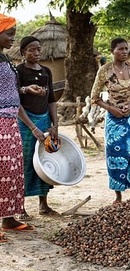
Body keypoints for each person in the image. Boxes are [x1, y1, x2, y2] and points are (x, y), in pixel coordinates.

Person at [90, 37, 130, 204]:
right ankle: (118, 196)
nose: (124, 52)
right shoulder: (104, 71)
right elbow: (94, 97)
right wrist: (112, 109)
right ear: (112, 51)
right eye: (120, 49)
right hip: (114, 121)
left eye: (126, 49)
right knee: (116, 155)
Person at [16, 36, 59, 220]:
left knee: (44, 161)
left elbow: (51, 100)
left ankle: (43, 204)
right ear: (23, 53)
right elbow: (15, 102)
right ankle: (20, 207)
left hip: (44, 121)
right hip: (26, 123)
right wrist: (32, 127)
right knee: (25, 162)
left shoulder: (46, 72)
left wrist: (55, 124)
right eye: (31, 50)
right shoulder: (18, 71)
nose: (36, 53)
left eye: (38, 49)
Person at [0, 14, 35, 242]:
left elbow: (11, 95)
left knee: (12, 172)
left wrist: (32, 127)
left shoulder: (4, 59)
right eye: (9, 34)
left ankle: (8, 218)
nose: (13, 38)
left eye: (14, 34)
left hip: (11, 121)